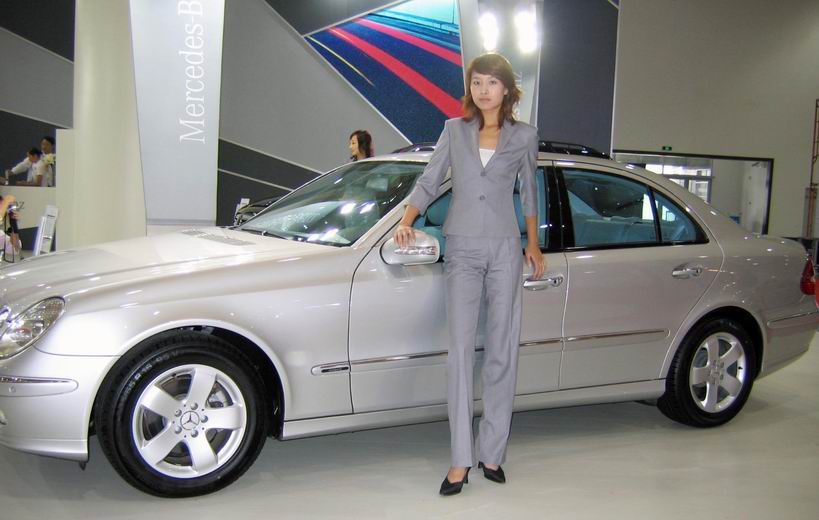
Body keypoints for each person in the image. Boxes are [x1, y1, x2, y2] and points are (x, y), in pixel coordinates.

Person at [393, 53, 545, 496]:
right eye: (477, 82)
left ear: (506, 89)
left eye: (491, 83)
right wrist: (407, 220)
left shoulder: (525, 136)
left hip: (505, 247)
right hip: (460, 247)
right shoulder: (453, 131)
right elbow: (430, 179)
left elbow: (529, 192)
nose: (483, 90)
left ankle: (491, 452)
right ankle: (460, 459)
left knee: (502, 349)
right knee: (459, 352)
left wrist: (533, 243)